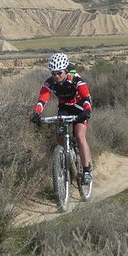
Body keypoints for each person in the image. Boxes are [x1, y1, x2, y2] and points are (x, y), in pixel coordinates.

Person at [30, 52, 93, 184]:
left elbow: (86, 97)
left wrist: (87, 110)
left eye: (59, 73)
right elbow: (43, 99)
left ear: (65, 70)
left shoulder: (75, 79)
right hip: (64, 107)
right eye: (53, 73)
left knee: (80, 136)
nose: (56, 76)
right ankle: (64, 157)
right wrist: (37, 113)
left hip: (79, 107)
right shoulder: (50, 83)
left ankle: (87, 170)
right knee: (59, 133)